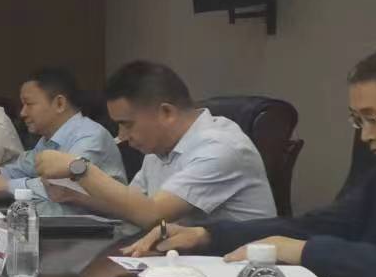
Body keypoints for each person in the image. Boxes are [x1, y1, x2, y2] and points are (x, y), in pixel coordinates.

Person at [127, 43, 376, 277]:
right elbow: (314, 226)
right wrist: (206, 235)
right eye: (359, 121)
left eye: (374, 118)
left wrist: (304, 252)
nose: (366, 135)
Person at [36, 60, 274, 229]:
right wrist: (74, 196)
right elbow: (132, 206)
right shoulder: (158, 149)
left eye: (127, 124)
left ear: (166, 113)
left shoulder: (221, 148)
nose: (122, 136)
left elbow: (153, 214)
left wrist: (80, 168)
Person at [0, 66, 123, 202]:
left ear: (59, 104)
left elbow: (64, 186)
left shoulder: (90, 137)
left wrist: (4, 185)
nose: (22, 113)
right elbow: (22, 169)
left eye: (29, 104)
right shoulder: (48, 140)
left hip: (100, 224)